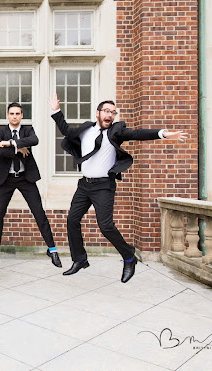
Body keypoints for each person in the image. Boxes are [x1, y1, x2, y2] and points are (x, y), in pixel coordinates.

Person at [49, 93, 188, 283]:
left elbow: (137, 134)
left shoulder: (116, 131)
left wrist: (162, 133)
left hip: (103, 186)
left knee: (105, 226)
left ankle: (129, 256)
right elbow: (66, 131)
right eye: (107, 111)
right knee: (72, 219)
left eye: (113, 112)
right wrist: (56, 110)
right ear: (98, 113)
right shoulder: (86, 129)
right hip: (84, 185)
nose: (110, 115)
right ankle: (80, 259)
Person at [0, 103, 61, 269]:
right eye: (12, 113)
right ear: (7, 115)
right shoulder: (0, 131)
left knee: (39, 213)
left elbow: (34, 140)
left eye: (18, 113)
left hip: (25, 178)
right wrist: (18, 149)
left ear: (22, 115)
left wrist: (11, 143)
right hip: (5, 180)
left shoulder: (28, 129)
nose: (14, 116)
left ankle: (52, 249)